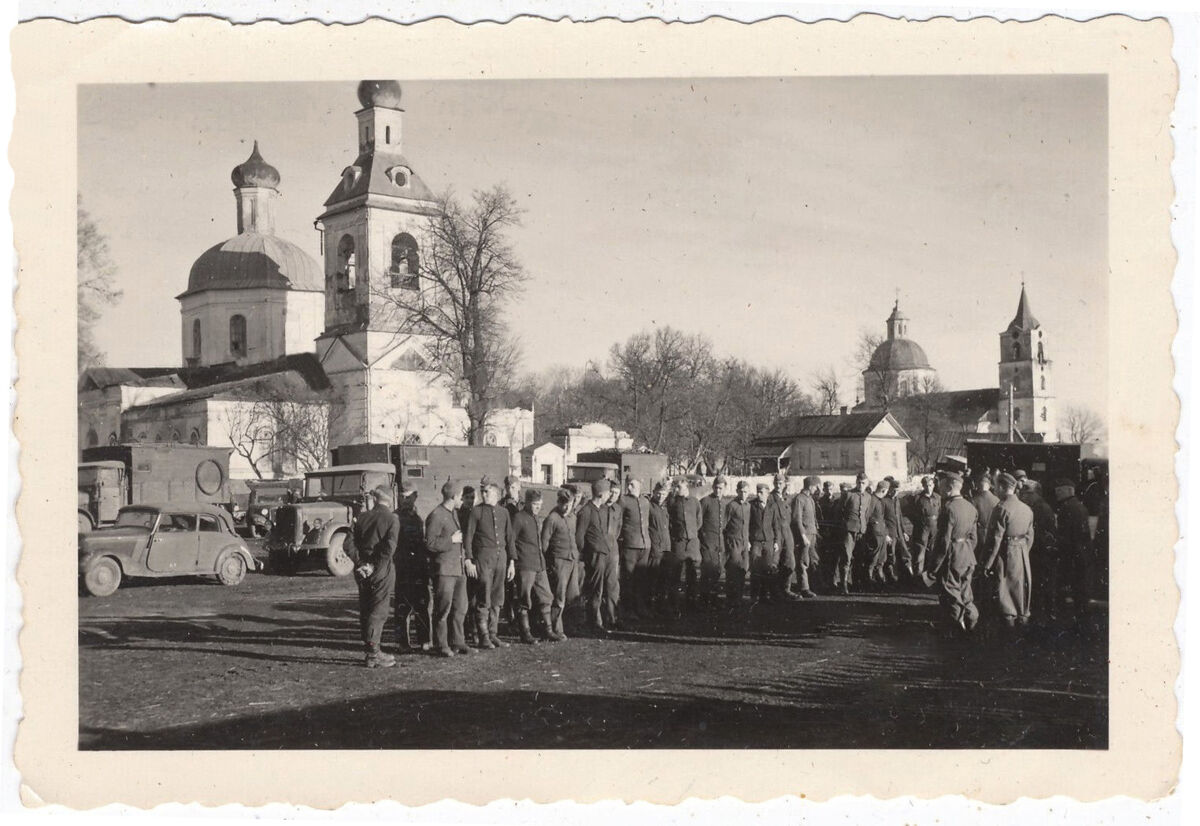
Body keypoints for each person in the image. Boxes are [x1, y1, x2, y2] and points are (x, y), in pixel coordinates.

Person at [922, 471, 980, 634]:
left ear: (949, 487)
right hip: (967, 556)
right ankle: (972, 621)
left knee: (951, 595)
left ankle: (957, 630)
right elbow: (974, 538)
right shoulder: (970, 507)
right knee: (966, 593)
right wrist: (966, 552)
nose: (938, 487)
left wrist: (933, 567)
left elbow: (943, 541)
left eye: (940, 484)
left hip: (952, 556)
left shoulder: (948, 509)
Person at [349, 487, 400, 668]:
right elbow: (389, 548)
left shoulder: (362, 517)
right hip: (381, 570)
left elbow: (349, 543)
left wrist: (360, 562)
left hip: (362, 570)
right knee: (379, 610)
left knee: (366, 608)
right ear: (390, 498)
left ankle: (370, 649)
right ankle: (373, 654)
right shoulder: (392, 519)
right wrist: (373, 565)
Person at [424, 481, 475, 657]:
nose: (463, 500)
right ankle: (441, 644)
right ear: (453, 497)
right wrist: (450, 541)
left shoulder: (453, 513)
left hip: (458, 570)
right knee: (443, 609)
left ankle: (458, 642)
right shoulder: (437, 515)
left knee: (460, 607)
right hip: (444, 570)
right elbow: (429, 544)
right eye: (461, 497)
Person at [464, 482, 516, 649]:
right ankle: (483, 635)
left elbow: (510, 538)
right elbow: (469, 537)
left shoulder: (504, 512)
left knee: (497, 598)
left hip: (501, 558)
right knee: (483, 597)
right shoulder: (476, 511)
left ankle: (493, 635)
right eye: (483, 492)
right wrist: (469, 559)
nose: (484, 495)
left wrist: (512, 562)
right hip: (483, 558)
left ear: (496, 494)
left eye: (487, 492)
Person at [981, 472, 1036, 629]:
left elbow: (994, 540)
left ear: (1001, 487)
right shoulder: (1027, 509)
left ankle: (1009, 634)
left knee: (1004, 591)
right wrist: (1022, 551)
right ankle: (1022, 626)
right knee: (1020, 591)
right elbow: (1030, 536)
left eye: (996, 486)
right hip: (1022, 553)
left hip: (1005, 554)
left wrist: (987, 564)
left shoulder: (1001, 509)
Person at [575, 478, 620, 635]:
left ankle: (606, 620)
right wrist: (588, 553)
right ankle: (594, 622)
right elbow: (580, 537)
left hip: (605, 554)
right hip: (595, 555)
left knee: (606, 587)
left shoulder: (601, 509)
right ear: (601, 494)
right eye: (608, 492)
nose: (610, 496)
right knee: (596, 590)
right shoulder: (586, 511)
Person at [511, 488, 555, 643]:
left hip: (538, 564)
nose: (538, 507)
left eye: (540, 504)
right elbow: (511, 541)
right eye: (535, 504)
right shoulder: (519, 518)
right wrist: (514, 562)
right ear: (528, 503)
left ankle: (548, 630)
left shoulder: (535, 518)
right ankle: (525, 633)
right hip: (525, 565)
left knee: (546, 596)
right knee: (525, 598)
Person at [393, 482, 432, 653]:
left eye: (408, 496)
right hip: (402, 567)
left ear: (415, 496)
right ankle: (403, 643)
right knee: (402, 606)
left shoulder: (419, 516)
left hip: (419, 567)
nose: (404, 500)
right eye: (402, 496)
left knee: (422, 604)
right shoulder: (394, 517)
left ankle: (424, 640)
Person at [542, 486, 581, 639]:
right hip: (559, 561)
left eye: (569, 504)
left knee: (573, 595)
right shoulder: (552, 518)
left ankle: (571, 626)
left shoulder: (572, 517)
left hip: (572, 559)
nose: (566, 507)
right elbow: (544, 543)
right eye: (563, 504)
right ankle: (556, 629)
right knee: (559, 597)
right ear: (558, 502)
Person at [1054, 477, 1093, 621]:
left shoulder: (1067, 508)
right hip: (1082, 554)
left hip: (1073, 555)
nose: (1056, 493)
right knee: (1081, 593)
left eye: (1059, 490)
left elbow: (1066, 536)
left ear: (1069, 491)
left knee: (1074, 592)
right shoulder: (1079, 506)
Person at [617, 477, 653, 619]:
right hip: (630, 545)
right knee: (628, 580)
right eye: (628, 484)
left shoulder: (645, 501)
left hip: (645, 545)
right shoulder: (623, 501)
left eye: (632, 484)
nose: (629, 487)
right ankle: (628, 610)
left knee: (641, 579)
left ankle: (640, 608)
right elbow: (619, 522)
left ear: (640, 485)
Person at [666, 478, 703, 613]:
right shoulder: (673, 502)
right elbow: (669, 521)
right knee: (675, 574)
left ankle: (691, 603)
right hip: (679, 542)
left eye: (679, 487)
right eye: (675, 487)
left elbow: (699, 521)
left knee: (692, 574)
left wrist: (691, 533)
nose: (677, 490)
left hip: (692, 542)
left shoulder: (694, 502)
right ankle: (674, 604)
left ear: (686, 487)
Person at [837, 472, 876, 594]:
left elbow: (867, 514)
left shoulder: (868, 497)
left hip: (861, 531)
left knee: (859, 558)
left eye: (863, 483)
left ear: (867, 484)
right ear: (856, 482)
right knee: (846, 558)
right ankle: (843, 584)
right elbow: (839, 511)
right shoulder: (848, 495)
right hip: (848, 530)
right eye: (859, 482)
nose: (861, 485)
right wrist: (844, 526)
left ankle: (855, 583)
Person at [768, 473, 799, 600]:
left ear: (785, 483)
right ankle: (775, 592)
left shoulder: (788, 499)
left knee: (790, 562)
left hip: (787, 533)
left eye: (780, 483)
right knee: (774, 563)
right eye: (776, 483)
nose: (778, 485)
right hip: (775, 532)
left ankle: (786, 589)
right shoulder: (770, 498)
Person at [699, 477, 729, 608]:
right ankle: (705, 599)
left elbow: (725, 523)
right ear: (713, 487)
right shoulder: (705, 501)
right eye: (716, 487)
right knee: (707, 570)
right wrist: (703, 538)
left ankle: (714, 597)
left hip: (719, 542)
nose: (718, 490)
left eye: (721, 488)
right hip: (707, 542)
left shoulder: (725, 504)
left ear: (725, 489)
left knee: (717, 570)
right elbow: (699, 522)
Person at [748, 483, 778, 601]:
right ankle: (754, 596)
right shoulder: (751, 506)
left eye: (761, 492)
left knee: (768, 569)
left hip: (769, 542)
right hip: (756, 542)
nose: (758, 494)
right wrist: (749, 540)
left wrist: (776, 541)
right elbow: (747, 524)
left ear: (767, 493)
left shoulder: (772, 506)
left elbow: (776, 525)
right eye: (757, 492)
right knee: (755, 570)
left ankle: (764, 596)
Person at [723, 480, 751, 605]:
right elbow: (724, 525)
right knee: (733, 569)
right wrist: (727, 542)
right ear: (737, 491)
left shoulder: (748, 506)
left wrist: (748, 540)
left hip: (745, 541)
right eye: (741, 492)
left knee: (743, 569)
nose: (743, 494)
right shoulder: (731, 506)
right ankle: (730, 598)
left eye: (746, 492)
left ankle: (738, 597)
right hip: (733, 541)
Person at [791, 476, 820, 598]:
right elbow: (797, 519)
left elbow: (813, 518)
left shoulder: (810, 499)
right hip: (805, 535)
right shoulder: (799, 499)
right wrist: (803, 536)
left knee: (814, 560)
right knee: (803, 562)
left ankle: (814, 585)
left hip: (812, 534)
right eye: (816, 486)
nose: (817, 489)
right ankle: (804, 588)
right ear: (810, 486)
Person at [647, 481, 672, 612]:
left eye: (664, 494)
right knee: (652, 578)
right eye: (658, 494)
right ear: (654, 492)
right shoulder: (649, 507)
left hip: (666, 548)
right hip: (655, 548)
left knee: (664, 579)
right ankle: (651, 606)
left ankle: (662, 606)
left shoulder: (666, 508)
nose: (661, 496)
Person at [879, 477, 909, 582]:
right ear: (890, 489)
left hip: (899, 532)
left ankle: (903, 578)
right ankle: (890, 578)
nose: (895, 493)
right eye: (894, 490)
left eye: (897, 491)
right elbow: (881, 519)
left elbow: (899, 517)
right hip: (890, 533)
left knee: (903, 553)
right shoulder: (884, 501)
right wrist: (886, 534)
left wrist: (904, 531)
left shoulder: (897, 501)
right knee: (890, 556)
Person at [912, 475, 941, 575]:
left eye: (930, 485)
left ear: (933, 485)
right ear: (923, 486)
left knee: (933, 549)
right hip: (923, 527)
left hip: (935, 526)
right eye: (926, 485)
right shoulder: (918, 498)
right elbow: (913, 514)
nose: (928, 487)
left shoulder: (938, 497)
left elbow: (940, 511)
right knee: (921, 550)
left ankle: (931, 573)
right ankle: (918, 574)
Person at [866, 480, 891, 585]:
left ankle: (879, 578)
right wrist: (874, 524)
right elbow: (867, 515)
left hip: (881, 533)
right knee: (874, 556)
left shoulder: (879, 500)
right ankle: (870, 579)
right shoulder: (873, 500)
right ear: (884, 490)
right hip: (875, 533)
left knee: (881, 557)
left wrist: (885, 534)